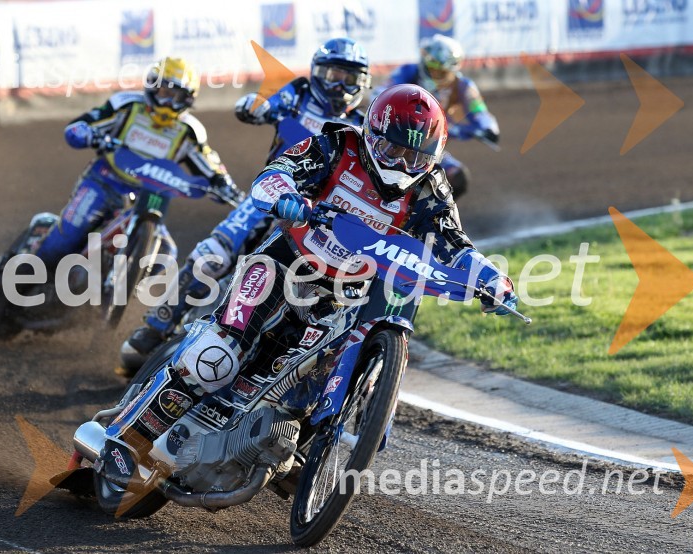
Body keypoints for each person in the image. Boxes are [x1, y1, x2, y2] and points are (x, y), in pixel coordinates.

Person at [99, 84, 518, 486]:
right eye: (393, 148)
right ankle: (125, 441)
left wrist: (491, 279)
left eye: (415, 155)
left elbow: (455, 244)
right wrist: (285, 196)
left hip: (341, 299)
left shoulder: (430, 189)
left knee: (288, 388)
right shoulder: (337, 146)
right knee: (217, 355)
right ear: (372, 133)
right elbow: (275, 173)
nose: (401, 164)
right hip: (282, 264)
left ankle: (280, 452)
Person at [118, 38, 372, 375]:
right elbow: (260, 103)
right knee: (214, 253)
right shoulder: (298, 94)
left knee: (307, 292)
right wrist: (257, 106)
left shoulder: (363, 126)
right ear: (316, 74)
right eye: (332, 74)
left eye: (349, 78)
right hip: (271, 196)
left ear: (362, 83)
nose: (339, 85)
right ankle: (158, 324)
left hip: (315, 218)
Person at [32, 57, 240, 269]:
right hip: (104, 181)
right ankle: (11, 278)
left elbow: (210, 163)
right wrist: (88, 134)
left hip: (149, 199)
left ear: (187, 100)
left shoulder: (189, 131)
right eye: (164, 92)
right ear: (152, 86)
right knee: (64, 239)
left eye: (176, 96)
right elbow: (80, 126)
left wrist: (224, 185)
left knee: (165, 257)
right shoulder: (127, 105)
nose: (168, 102)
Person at [376, 34, 499, 200]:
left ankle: (430, 218)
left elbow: (479, 110)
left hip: (428, 150)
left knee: (457, 177)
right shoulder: (407, 72)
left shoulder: (462, 85)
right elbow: (378, 94)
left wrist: (487, 128)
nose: (435, 75)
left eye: (441, 72)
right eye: (432, 68)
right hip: (392, 140)